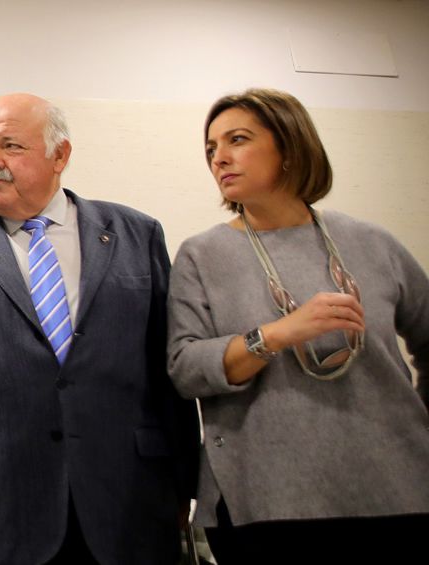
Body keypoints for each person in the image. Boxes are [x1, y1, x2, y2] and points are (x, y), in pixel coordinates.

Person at [0, 93, 198, 565]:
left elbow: (167, 368)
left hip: (132, 499)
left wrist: (185, 480)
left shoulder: (137, 234)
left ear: (60, 155)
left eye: (10, 146)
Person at [167, 87, 429, 564]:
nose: (219, 158)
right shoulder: (201, 255)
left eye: (237, 140)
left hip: (398, 490)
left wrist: (415, 429)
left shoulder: (373, 243)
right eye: (211, 148)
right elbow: (186, 368)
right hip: (266, 502)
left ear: (289, 147)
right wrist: (277, 334)